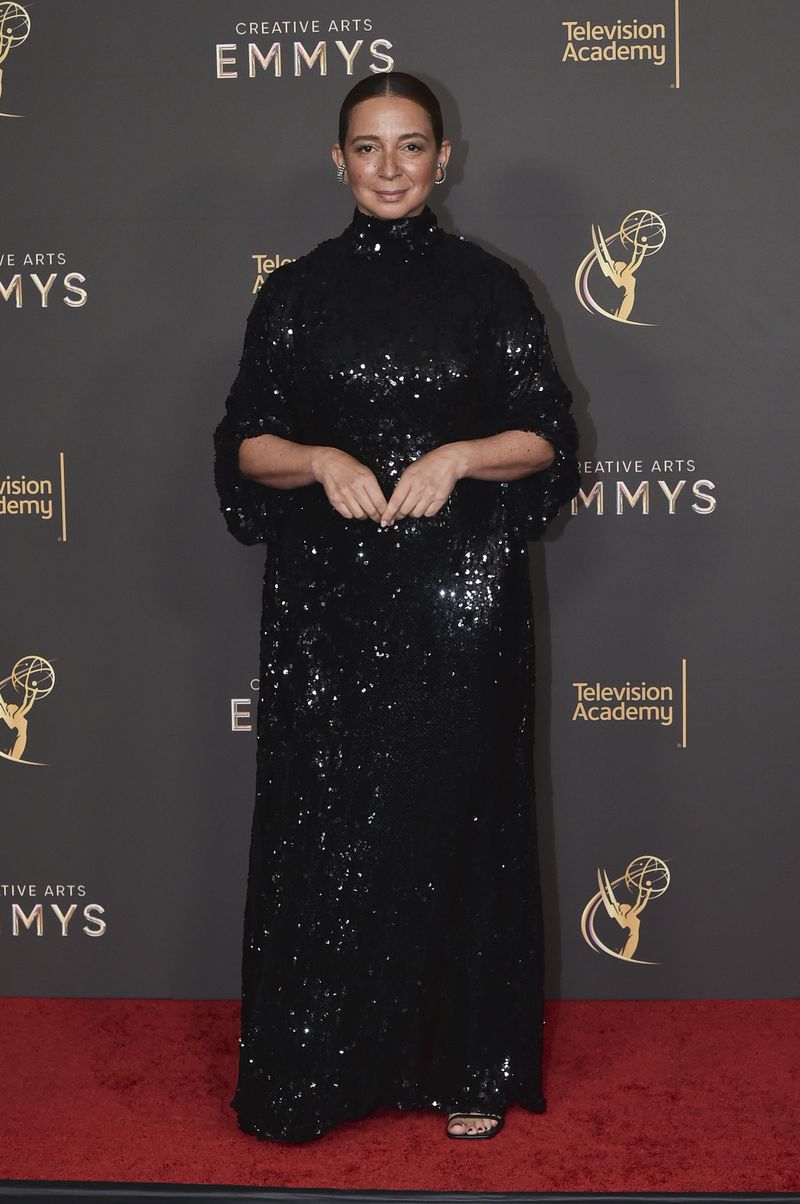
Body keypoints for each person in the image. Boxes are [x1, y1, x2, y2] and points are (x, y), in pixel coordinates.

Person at [213, 70, 580, 1144]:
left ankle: (468, 1061)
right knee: (323, 832)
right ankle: (325, 1070)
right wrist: (319, 457)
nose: (388, 168)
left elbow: (546, 435)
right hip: (326, 615)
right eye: (366, 148)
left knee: (458, 822)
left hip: (461, 605)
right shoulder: (293, 293)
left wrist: (462, 455)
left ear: (441, 158)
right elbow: (243, 443)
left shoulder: (489, 288)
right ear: (338, 161)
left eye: (409, 146)